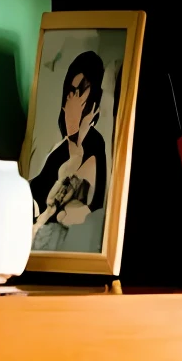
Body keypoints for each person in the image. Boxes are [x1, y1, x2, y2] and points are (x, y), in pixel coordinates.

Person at [28, 49, 108, 252]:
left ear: (92, 106)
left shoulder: (93, 144)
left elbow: (76, 202)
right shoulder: (62, 146)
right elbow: (38, 186)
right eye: (70, 93)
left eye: (80, 96)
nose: (71, 103)